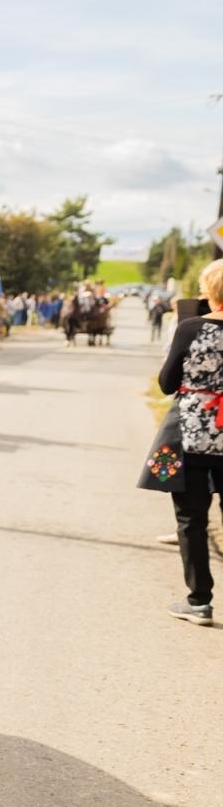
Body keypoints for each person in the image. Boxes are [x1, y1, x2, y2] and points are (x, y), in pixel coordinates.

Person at [157, 259, 223, 624]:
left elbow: (167, 383)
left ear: (209, 293)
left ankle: (199, 602)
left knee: (192, 519)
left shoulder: (190, 328)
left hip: (195, 434)